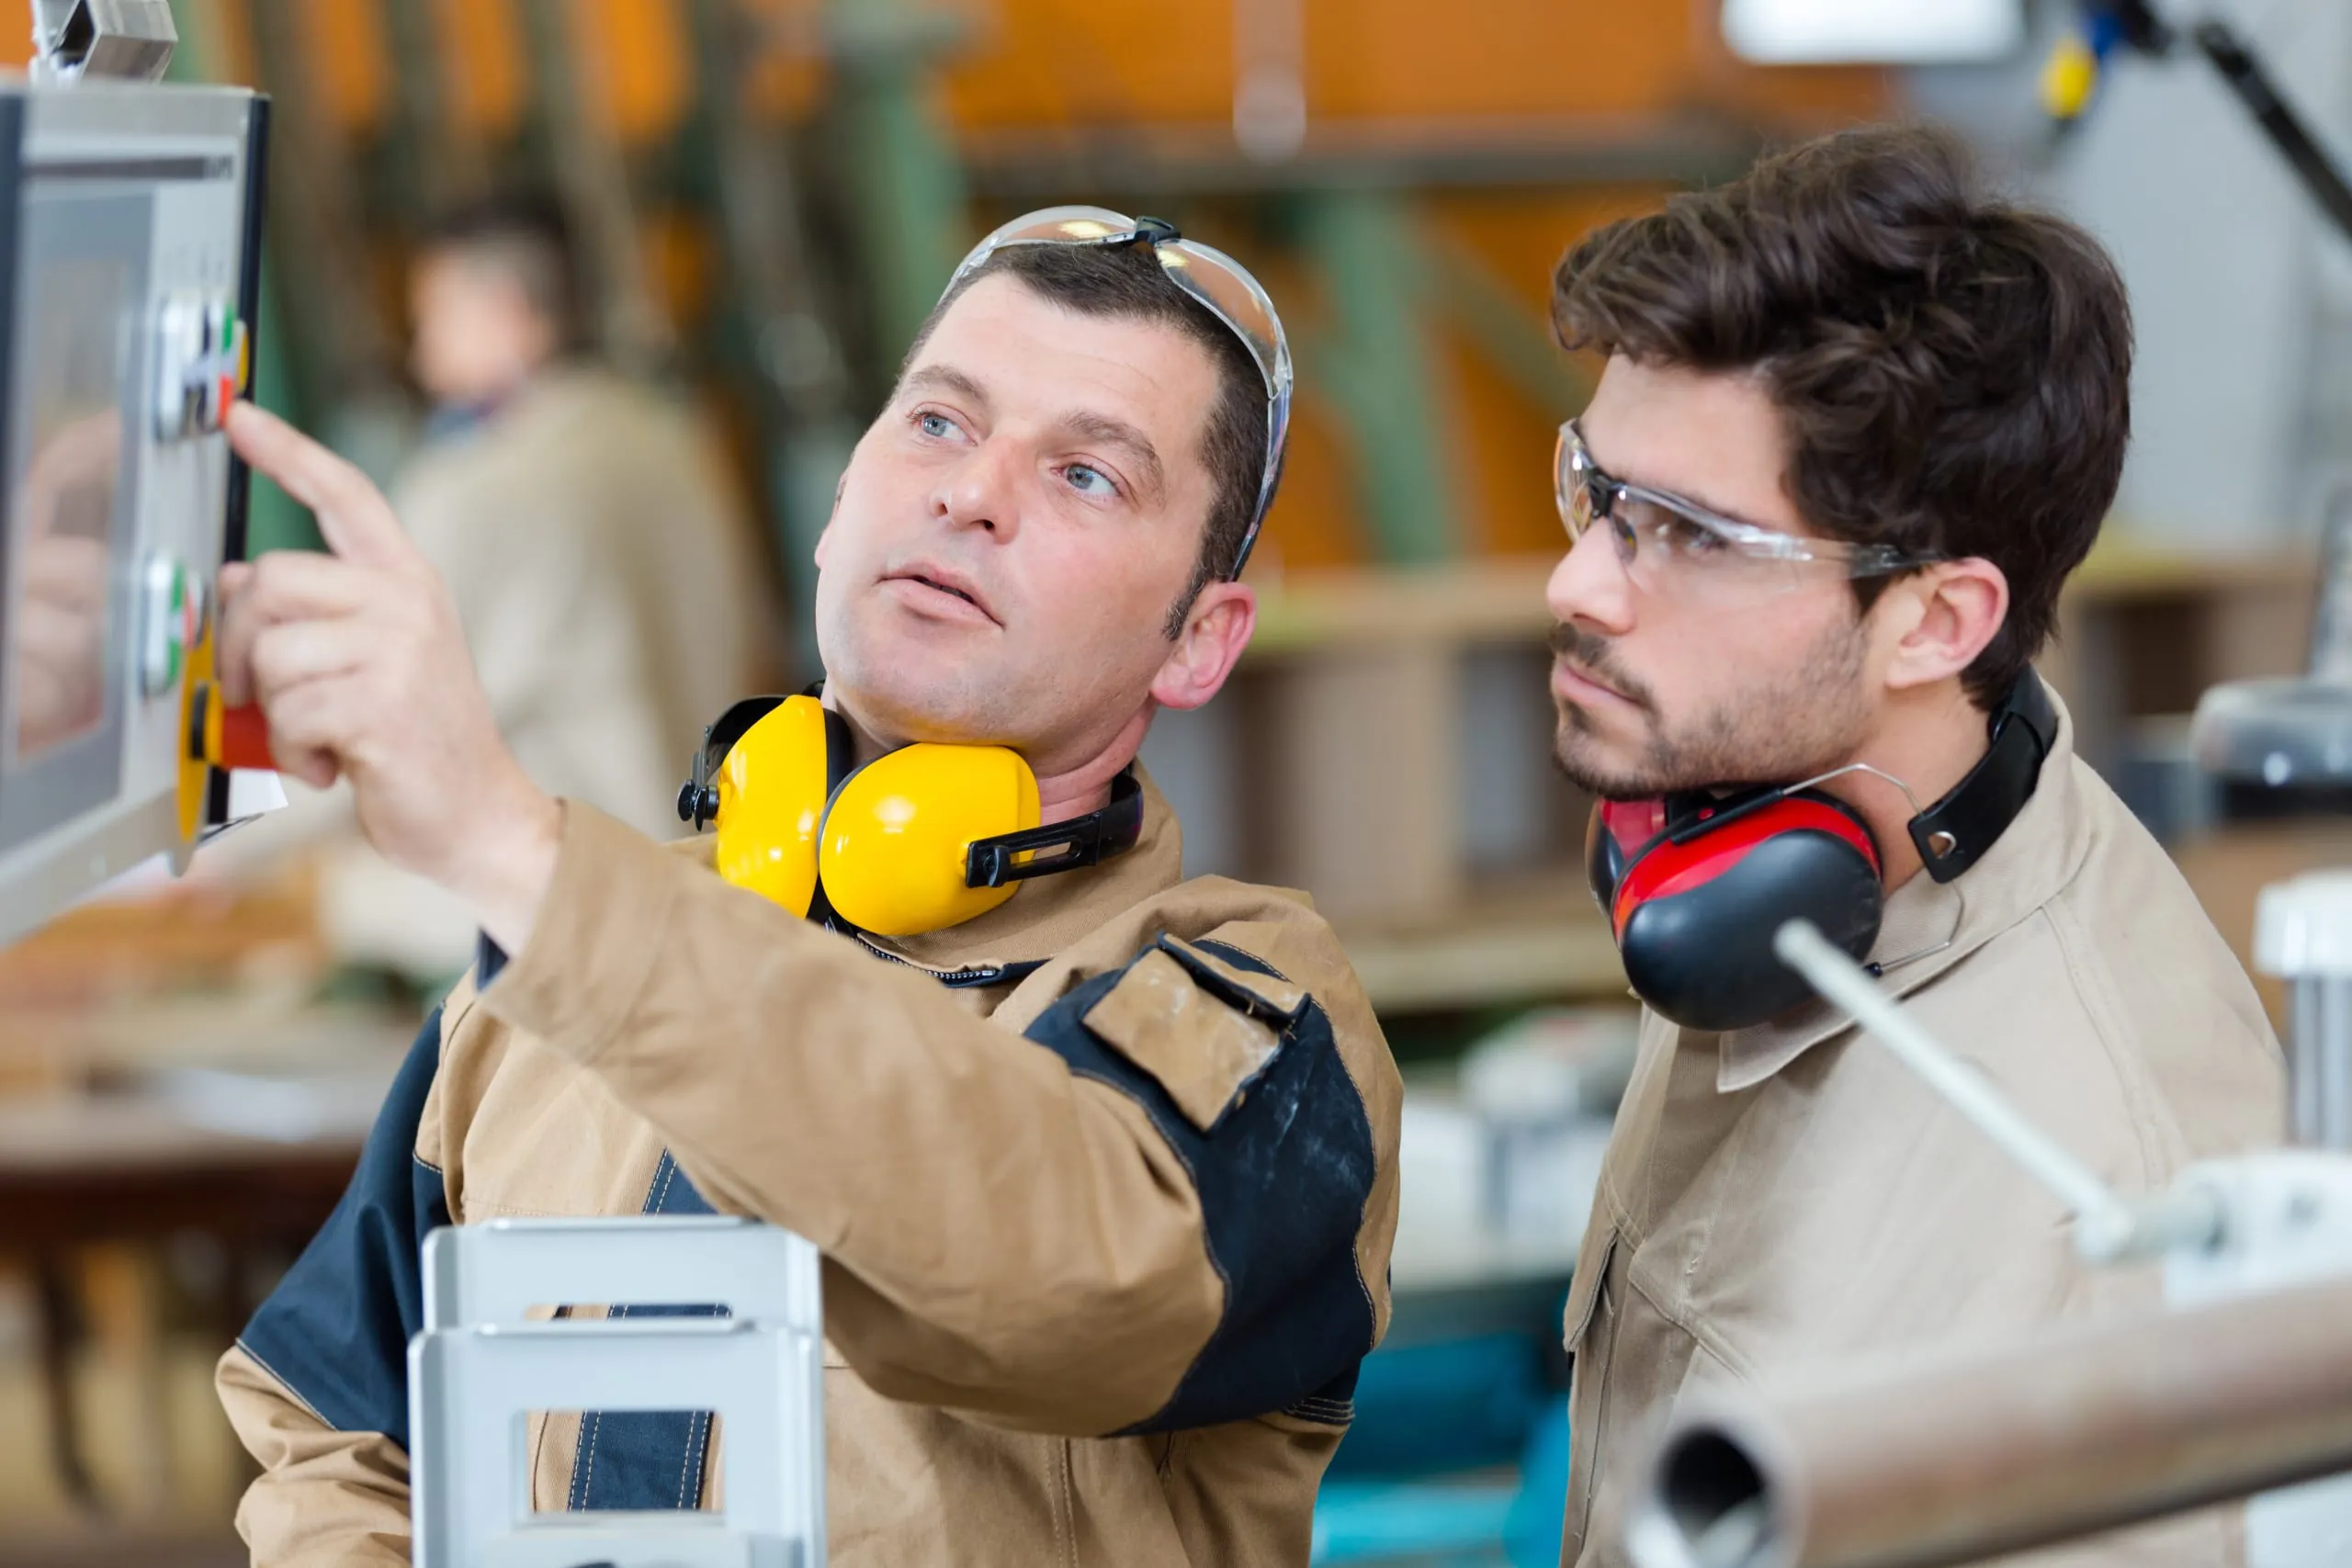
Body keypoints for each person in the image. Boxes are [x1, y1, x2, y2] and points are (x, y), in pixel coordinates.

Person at [210, 209, 1401, 1568]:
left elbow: (1069, 1281)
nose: (971, 492)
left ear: (1197, 641)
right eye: (939, 423)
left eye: (1085, 474)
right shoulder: (533, 992)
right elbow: (338, 1432)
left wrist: (510, 850)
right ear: (841, 502)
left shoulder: (1258, 1012)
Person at [1541, 127, 2281, 1565]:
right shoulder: (1765, 837)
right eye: (1598, 493)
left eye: (1689, 535)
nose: (1579, 582)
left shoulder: (2091, 1218)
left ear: (1935, 621)